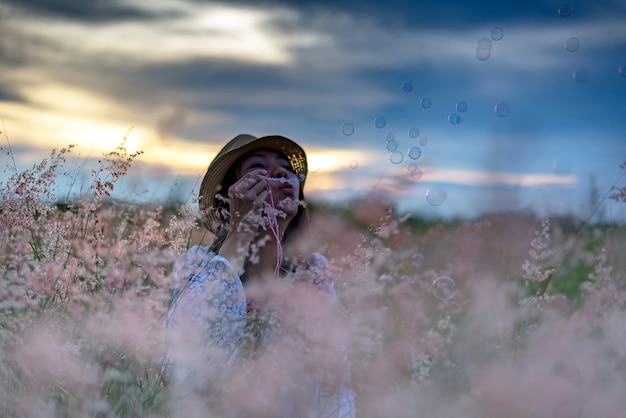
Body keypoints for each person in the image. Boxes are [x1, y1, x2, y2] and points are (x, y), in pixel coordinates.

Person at [166, 134, 356, 418]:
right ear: (229, 197)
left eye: (287, 169)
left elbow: (337, 388)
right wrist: (242, 227)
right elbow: (186, 367)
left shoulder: (314, 273)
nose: (280, 173)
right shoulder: (198, 265)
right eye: (257, 166)